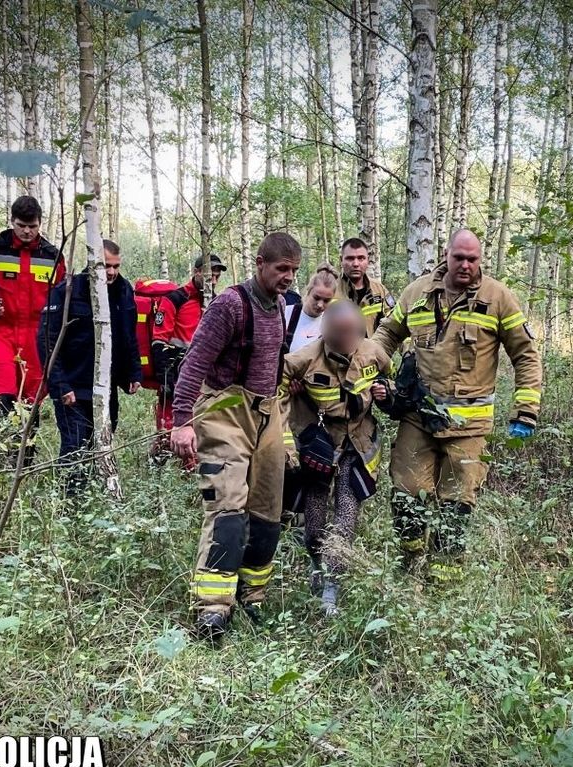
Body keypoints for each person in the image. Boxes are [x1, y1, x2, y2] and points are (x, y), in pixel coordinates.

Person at [372, 228, 542, 582]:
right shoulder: (418, 292)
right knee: (406, 500)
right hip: (418, 418)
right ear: (446, 255)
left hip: (469, 428)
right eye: (459, 257)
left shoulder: (498, 298)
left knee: (455, 508)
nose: (465, 265)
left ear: (481, 259)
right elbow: (387, 334)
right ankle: (409, 569)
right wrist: (366, 369)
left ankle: (443, 584)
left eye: (472, 259)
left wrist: (525, 411)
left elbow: (525, 355)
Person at [170, 232, 301, 640]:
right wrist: (181, 422)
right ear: (260, 262)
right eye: (282, 269)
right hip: (224, 412)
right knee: (227, 509)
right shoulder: (230, 304)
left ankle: (252, 597)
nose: (289, 278)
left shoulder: (279, 305)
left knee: (267, 513)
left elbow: (274, 364)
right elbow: (194, 364)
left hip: (266, 415)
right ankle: (212, 610)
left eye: (294, 271)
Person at [282, 300, 392, 615]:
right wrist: (293, 418)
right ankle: (315, 564)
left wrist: (387, 391)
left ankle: (333, 584)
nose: (346, 342)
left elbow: (392, 379)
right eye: (339, 335)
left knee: (346, 512)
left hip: (358, 444)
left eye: (351, 334)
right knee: (315, 517)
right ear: (326, 332)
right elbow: (276, 386)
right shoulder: (304, 358)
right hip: (320, 446)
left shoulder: (373, 353)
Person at [0, 195, 66, 460]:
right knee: (1, 395)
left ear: (40, 223)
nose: (27, 231)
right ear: (12, 222)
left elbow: (63, 294)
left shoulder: (53, 255)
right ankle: (5, 458)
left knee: (32, 398)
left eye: (32, 225)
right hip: (0, 332)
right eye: (21, 225)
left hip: (37, 335)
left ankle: (27, 458)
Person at [37, 239, 141, 495]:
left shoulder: (124, 289)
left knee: (102, 444)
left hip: (105, 388)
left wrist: (133, 372)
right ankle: (70, 503)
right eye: (106, 266)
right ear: (92, 262)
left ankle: (98, 500)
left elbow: (129, 335)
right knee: (75, 446)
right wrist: (60, 384)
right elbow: (47, 341)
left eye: (116, 266)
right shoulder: (67, 291)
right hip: (72, 387)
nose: (112, 272)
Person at [148, 253, 226, 433]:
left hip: (207, 379)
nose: (213, 281)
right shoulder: (175, 299)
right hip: (176, 375)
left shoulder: (217, 303)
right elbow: (159, 341)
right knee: (170, 429)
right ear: (196, 272)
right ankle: (163, 456)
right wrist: (165, 379)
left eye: (216, 277)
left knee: (205, 428)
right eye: (209, 276)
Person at [336, 237, 395, 337]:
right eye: (350, 258)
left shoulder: (379, 290)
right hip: (340, 351)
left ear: (368, 260)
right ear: (341, 260)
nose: (355, 264)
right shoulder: (330, 291)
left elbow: (394, 323)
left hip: (373, 351)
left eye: (361, 258)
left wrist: (407, 350)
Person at [282, 263, 337, 354]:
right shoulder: (285, 314)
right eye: (316, 298)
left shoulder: (332, 324)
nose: (320, 305)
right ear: (308, 291)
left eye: (326, 301)